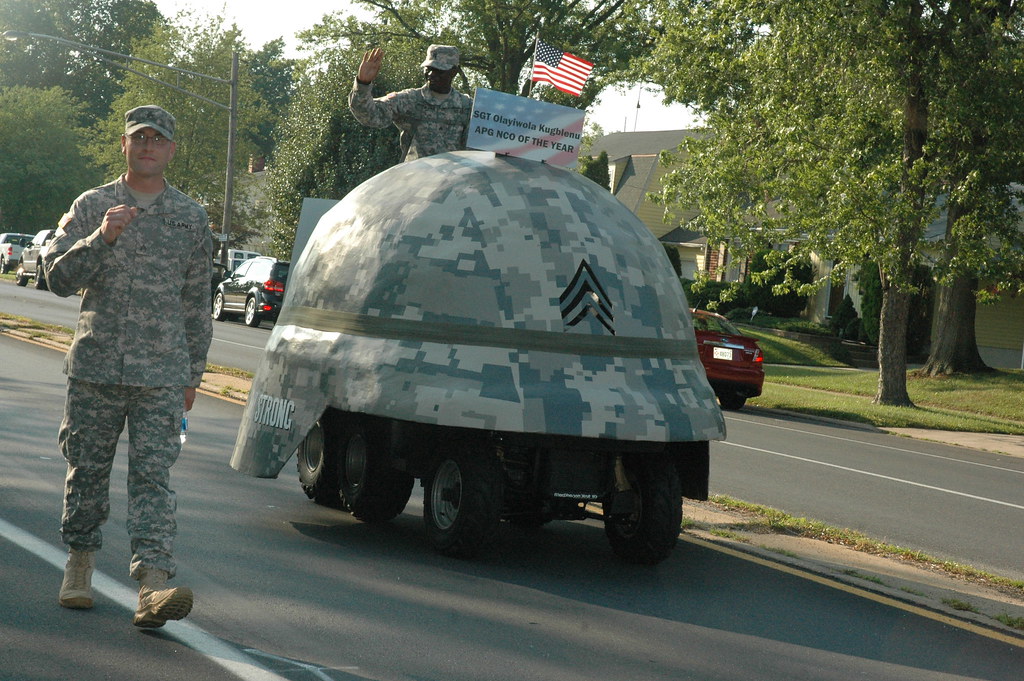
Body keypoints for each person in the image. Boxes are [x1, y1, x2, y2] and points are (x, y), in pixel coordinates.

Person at [43, 105, 213, 629]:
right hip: (95, 368)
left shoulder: (191, 217)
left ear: (170, 150)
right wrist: (101, 238)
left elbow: (196, 300)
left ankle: (154, 586)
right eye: (138, 138)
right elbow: (56, 277)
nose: (147, 146)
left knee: (153, 479)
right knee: (87, 471)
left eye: (157, 139)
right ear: (124, 146)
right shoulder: (92, 205)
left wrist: (193, 376)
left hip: (161, 374)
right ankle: (79, 565)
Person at [349, 44, 473, 162]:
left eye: (439, 70)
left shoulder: (468, 107)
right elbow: (370, 116)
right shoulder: (409, 100)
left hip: (453, 181)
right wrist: (362, 84)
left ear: (454, 72)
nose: (430, 74)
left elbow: (481, 151)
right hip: (415, 180)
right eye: (428, 69)